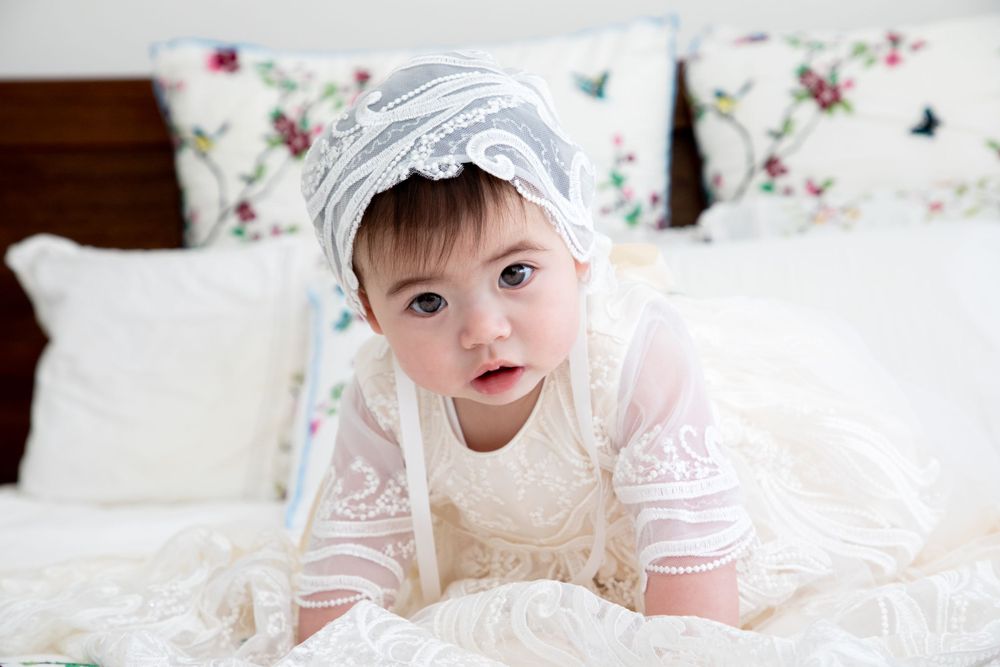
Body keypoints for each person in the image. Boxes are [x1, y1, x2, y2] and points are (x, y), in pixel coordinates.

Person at [292, 51, 943, 651]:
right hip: (515, 561)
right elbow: (351, 556)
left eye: (515, 274)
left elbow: (691, 559)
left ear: (577, 251)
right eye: (427, 303)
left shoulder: (632, 351)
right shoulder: (384, 395)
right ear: (371, 312)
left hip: (679, 552)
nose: (484, 329)